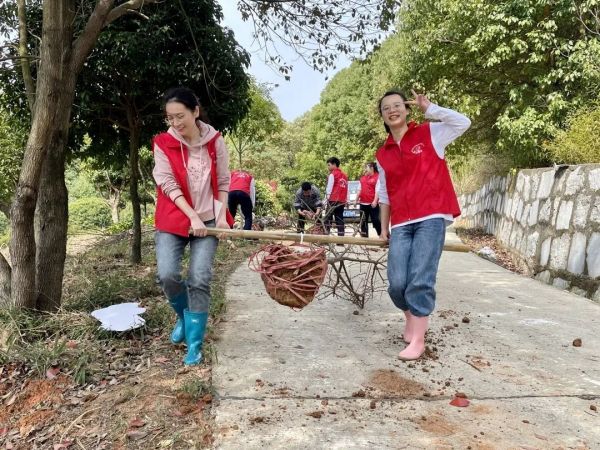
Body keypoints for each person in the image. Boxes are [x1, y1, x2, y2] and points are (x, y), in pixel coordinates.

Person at [376, 89, 471, 361]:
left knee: (420, 279)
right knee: (396, 283)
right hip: (401, 223)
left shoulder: (430, 133)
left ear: (406, 110)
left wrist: (430, 108)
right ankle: (411, 317)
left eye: (397, 105)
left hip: (431, 217)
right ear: (382, 115)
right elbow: (384, 193)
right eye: (386, 108)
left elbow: (463, 123)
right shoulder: (382, 154)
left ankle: (418, 339)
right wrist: (384, 228)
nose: (393, 110)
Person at [152, 87, 231, 366]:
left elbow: (223, 183)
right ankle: (183, 317)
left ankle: (194, 345)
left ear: (195, 111)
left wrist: (220, 217)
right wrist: (191, 217)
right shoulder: (163, 143)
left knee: (199, 278)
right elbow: (168, 184)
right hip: (175, 218)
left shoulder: (215, 142)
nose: (175, 123)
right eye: (170, 118)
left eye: (180, 116)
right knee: (167, 274)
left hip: (209, 219)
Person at [355, 162, 382, 237]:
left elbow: (378, 190)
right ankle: (364, 237)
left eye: (366, 167)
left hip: (372, 203)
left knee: (375, 220)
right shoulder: (363, 178)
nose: (365, 169)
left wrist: (375, 201)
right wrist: (356, 200)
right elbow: (359, 190)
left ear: (372, 168)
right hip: (363, 203)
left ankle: (381, 235)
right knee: (363, 221)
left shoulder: (378, 177)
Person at [324, 156, 348, 237]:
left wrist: (325, 200)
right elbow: (346, 189)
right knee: (340, 219)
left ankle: (326, 238)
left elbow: (329, 188)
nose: (328, 167)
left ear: (334, 164)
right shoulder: (344, 176)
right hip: (341, 201)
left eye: (329, 165)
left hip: (332, 200)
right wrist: (346, 200)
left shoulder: (332, 175)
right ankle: (340, 239)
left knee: (328, 219)